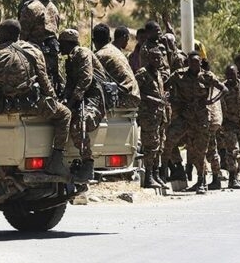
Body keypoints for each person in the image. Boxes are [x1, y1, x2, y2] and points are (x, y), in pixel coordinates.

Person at [0, 20, 74, 179]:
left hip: (3, 105)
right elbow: (44, 81)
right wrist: (52, 99)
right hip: (31, 103)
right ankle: (56, 160)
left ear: (1, 34)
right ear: (18, 34)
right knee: (65, 114)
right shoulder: (34, 51)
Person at [162, 51, 228, 194]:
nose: (195, 65)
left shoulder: (206, 76)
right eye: (192, 62)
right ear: (188, 63)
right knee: (169, 140)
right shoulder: (179, 75)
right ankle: (162, 172)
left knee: (201, 150)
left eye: (197, 62)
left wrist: (211, 101)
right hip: (184, 117)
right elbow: (164, 87)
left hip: (201, 118)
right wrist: (173, 100)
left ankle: (201, 180)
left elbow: (224, 89)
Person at [59, 28, 107, 181]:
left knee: (80, 125)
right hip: (82, 97)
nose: (59, 47)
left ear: (68, 43)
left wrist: (72, 101)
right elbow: (70, 84)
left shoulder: (82, 53)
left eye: (61, 43)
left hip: (94, 97)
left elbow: (86, 80)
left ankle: (88, 163)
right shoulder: (70, 58)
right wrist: (65, 99)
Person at [17, 0, 63, 94]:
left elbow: (21, 37)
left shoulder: (30, 7)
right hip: (52, 54)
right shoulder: (53, 7)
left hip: (32, 57)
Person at [135, 47, 169, 189]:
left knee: (159, 146)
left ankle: (155, 174)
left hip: (159, 116)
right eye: (154, 58)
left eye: (159, 58)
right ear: (148, 58)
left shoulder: (159, 73)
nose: (157, 60)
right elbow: (136, 92)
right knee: (150, 147)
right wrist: (152, 100)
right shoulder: (143, 74)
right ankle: (148, 177)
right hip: (148, 116)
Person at [92, 23, 140, 108]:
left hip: (124, 99)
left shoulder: (99, 55)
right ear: (109, 39)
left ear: (93, 40)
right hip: (135, 97)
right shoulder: (116, 50)